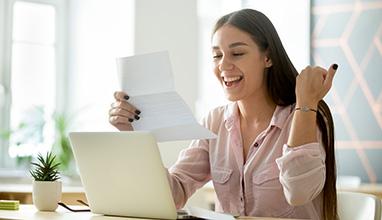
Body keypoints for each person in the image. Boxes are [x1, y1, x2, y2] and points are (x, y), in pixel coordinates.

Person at [108, 9, 338, 220]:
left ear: (267, 58)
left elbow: (299, 192)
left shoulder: (302, 118)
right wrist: (132, 134)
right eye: (217, 56)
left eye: (237, 53)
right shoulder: (215, 122)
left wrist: (306, 103)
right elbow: (172, 194)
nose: (223, 66)